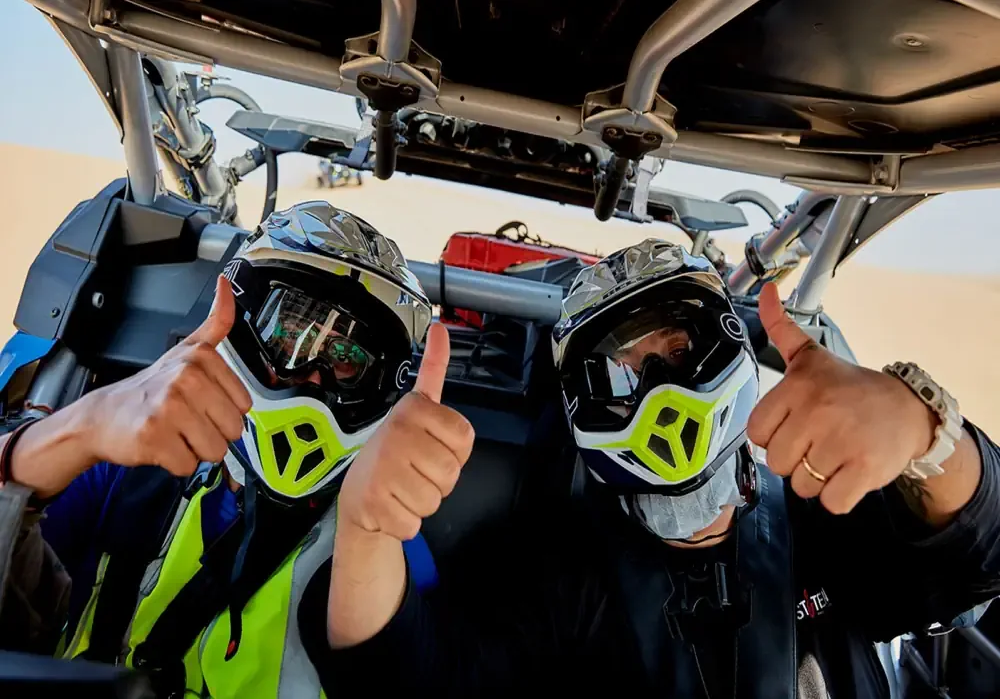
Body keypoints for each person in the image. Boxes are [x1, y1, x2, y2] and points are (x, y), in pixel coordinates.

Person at [305, 239, 1000, 698]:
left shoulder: (827, 509)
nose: (662, 400)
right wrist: (366, 530)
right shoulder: (550, 569)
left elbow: (977, 560)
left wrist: (924, 431)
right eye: (623, 374)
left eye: (679, 353)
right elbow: (399, 680)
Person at [0, 201, 433, 697]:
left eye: (345, 357)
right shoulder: (121, 467)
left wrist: (369, 547)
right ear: (239, 323)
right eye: (289, 333)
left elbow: (409, 674)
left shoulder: (381, 535)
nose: (312, 376)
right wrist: (79, 427)